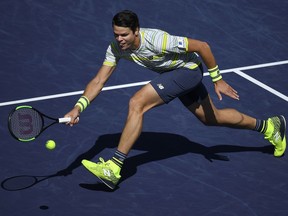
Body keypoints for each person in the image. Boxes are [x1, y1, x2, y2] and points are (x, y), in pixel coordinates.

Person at [65, 10, 286, 189]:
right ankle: (270, 127)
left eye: (124, 35)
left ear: (136, 31)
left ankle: (114, 167)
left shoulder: (158, 40)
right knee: (212, 118)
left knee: (136, 103)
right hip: (176, 74)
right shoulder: (115, 49)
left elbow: (202, 46)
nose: (119, 39)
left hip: (189, 70)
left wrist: (217, 79)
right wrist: (78, 107)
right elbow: (98, 81)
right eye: (116, 34)